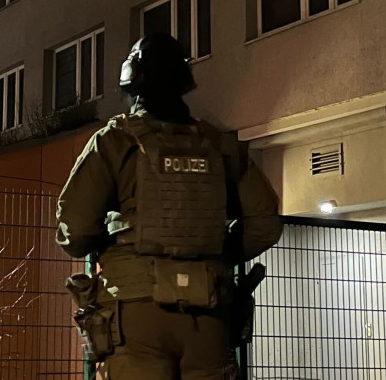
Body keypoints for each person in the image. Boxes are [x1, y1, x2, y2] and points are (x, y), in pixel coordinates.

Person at [56, 33, 283, 380]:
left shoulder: (113, 140)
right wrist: (215, 249)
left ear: (130, 82)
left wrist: (116, 242)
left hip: (135, 315)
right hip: (209, 315)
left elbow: (75, 230)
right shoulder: (219, 144)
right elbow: (265, 223)